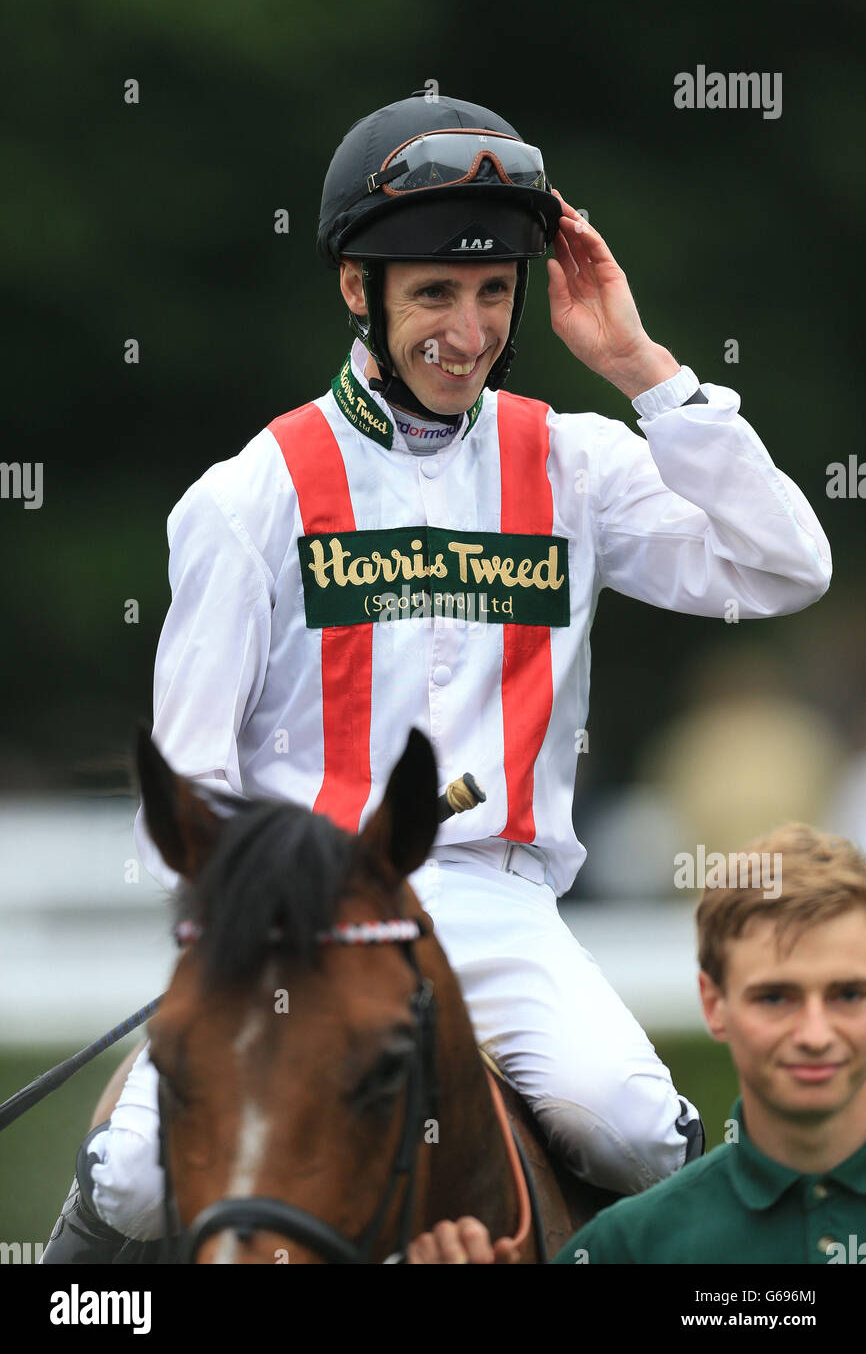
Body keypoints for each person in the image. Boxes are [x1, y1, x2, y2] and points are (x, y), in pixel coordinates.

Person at [42, 91, 831, 1261]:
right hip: (304, 925)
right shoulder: (245, 497)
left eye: (491, 292)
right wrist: (253, 928)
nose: (465, 332)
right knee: (133, 1182)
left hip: (492, 905)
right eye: (432, 295)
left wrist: (641, 368)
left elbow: (787, 566)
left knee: (636, 1134)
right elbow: (193, 780)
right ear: (358, 290)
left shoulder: (576, 463)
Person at [407, 823, 866, 1264]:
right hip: (349, 889)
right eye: (774, 998)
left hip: (501, 885)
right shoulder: (623, 1245)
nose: (814, 1035)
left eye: (848, 994)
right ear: (713, 1003)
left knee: (623, 1117)